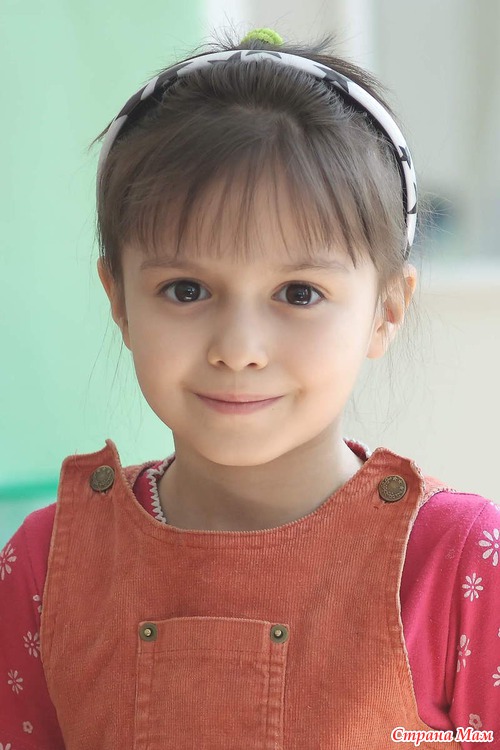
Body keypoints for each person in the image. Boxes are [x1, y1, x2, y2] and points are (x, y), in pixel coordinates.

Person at [0, 26, 498, 750]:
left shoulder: (456, 562)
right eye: (186, 289)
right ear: (119, 300)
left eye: (298, 293)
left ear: (386, 310)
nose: (238, 349)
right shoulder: (46, 566)